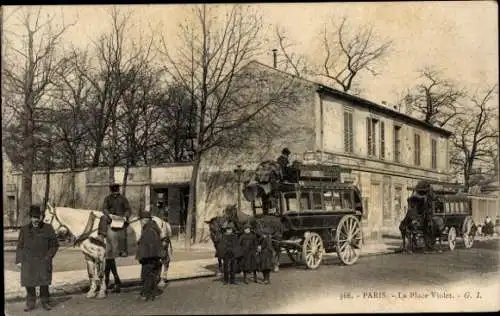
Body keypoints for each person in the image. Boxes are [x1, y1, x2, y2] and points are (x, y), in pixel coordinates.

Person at [16, 205, 60, 311]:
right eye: (34, 217)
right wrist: (18, 260)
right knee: (29, 283)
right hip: (28, 261)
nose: (36, 220)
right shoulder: (24, 229)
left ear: (41, 217)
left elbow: (55, 245)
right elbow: (20, 246)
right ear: (30, 217)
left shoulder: (48, 228)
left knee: (44, 283)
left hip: (43, 260)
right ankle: (31, 303)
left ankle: (45, 302)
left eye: (38, 217)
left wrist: (49, 256)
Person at [98, 183, 131, 293]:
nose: (115, 192)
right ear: (111, 191)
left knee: (123, 233)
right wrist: (109, 215)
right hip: (111, 219)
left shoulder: (123, 199)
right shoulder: (107, 198)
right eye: (113, 191)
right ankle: (101, 236)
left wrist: (125, 216)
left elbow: (127, 209)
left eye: (116, 190)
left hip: (121, 219)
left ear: (118, 190)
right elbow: (104, 208)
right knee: (102, 220)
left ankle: (123, 250)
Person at [136, 211, 163, 301]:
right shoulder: (152, 227)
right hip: (153, 257)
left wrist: (143, 257)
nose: (140, 222)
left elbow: (148, 245)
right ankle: (154, 292)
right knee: (151, 275)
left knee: (146, 275)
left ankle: (145, 294)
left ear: (145, 220)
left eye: (141, 220)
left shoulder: (148, 230)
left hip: (149, 257)